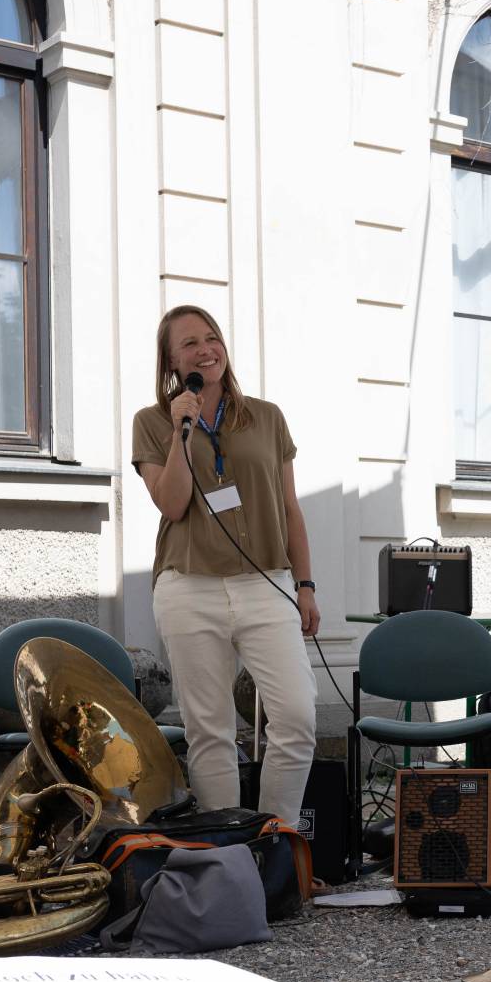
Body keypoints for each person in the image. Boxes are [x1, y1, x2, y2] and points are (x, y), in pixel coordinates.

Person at [132, 305, 318, 822]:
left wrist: (304, 584)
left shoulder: (267, 417)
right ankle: (225, 860)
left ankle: (276, 843)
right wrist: (181, 433)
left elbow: (289, 508)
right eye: (190, 343)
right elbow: (171, 503)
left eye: (211, 338)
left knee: (298, 717)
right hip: (188, 589)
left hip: (267, 584)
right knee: (209, 731)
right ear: (170, 360)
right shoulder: (152, 423)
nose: (205, 349)